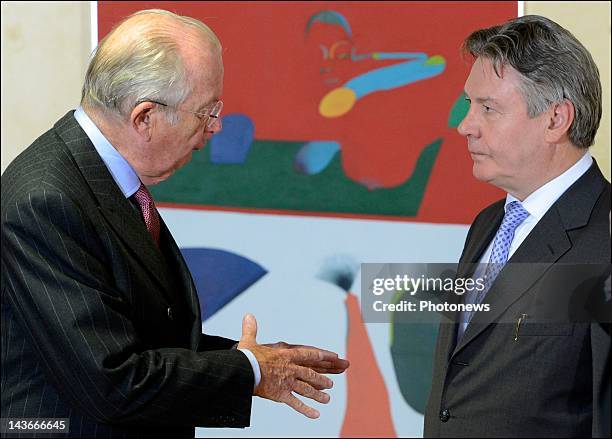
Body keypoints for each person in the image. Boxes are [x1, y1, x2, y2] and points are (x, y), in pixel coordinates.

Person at [0, 9, 348, 438]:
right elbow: (113, 380)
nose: (216, 127)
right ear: (144, 117)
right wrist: (249, 372)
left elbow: (142, 335)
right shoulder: (47, 201)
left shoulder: (99, 178)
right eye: (206, 111)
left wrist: (249, 361)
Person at [424, 15, 610, 437]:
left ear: (555, 120)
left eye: (488, 108)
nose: (465, 125)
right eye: (469, 105)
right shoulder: (488, 223)